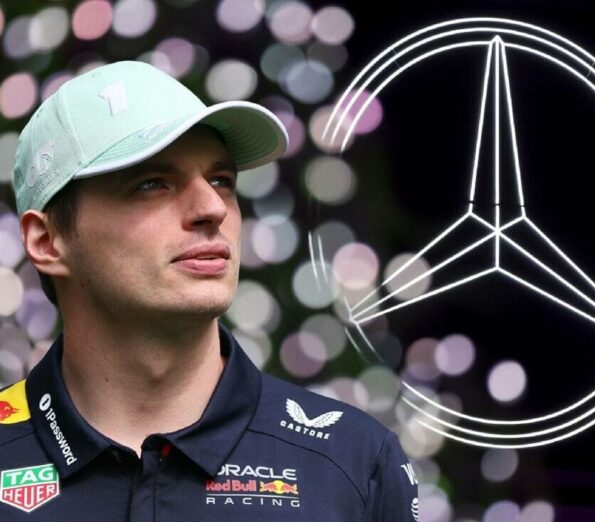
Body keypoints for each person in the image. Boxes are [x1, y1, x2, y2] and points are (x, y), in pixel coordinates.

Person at [0, 60, 419, 520]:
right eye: (152, 184)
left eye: (221, 180)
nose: (212, 207)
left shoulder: (354, 462)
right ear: (47, 241)